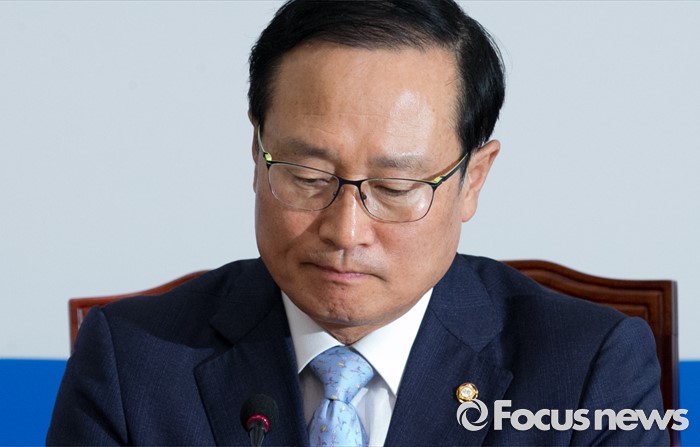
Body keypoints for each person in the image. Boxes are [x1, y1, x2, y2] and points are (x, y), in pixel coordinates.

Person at [47, 0, 668, 445]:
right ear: (257, 155)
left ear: (473, 180)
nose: (345, 232)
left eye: (395, 188)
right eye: (307, 176)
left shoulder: (589, 370)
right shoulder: (132, 362)